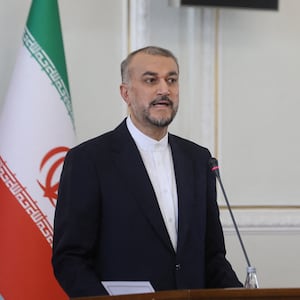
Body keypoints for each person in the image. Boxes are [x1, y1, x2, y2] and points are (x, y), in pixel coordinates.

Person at [52, 46, 243, 298]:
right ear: (126, 93)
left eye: (171, 80)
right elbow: (70, 258)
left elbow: (212, 256)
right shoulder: (89, 160)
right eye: (151, 80)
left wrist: (241, 295)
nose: (164, 89)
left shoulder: (199, 160)